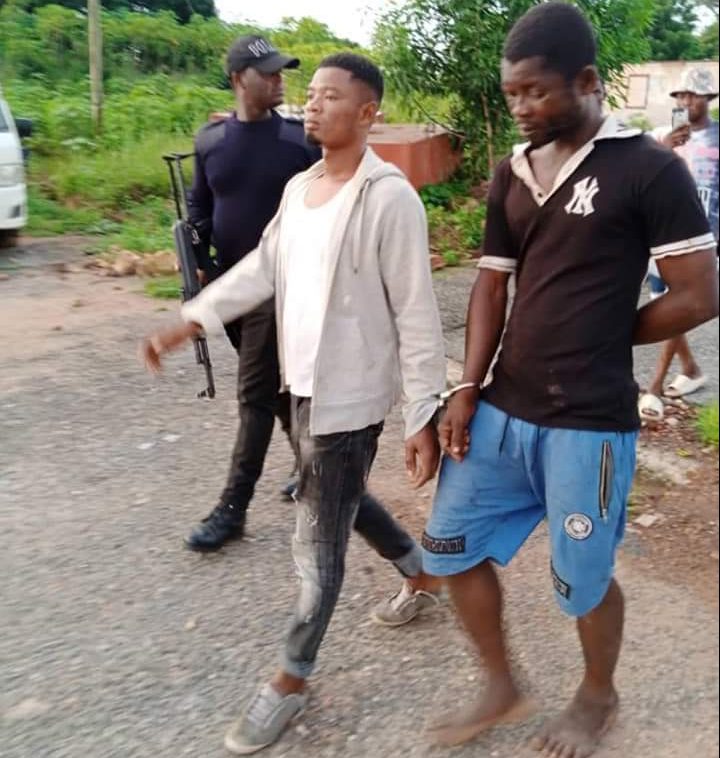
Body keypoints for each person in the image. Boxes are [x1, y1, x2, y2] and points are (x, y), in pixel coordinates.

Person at [420, 4, 718, 757]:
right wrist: (465, 388)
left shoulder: (647, 168)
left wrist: (607, 331)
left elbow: (698, 294)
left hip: (589, 422)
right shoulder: (512, 173)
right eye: (511, 94)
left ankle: (597, 695)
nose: (520, 107)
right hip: (503, 406)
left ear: (586, 82)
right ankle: (501, 684)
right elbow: (491, 284)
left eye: (535, 91)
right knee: (452, 547)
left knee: (583, 578)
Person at [142, 53, 445, 753]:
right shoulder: (302, 187)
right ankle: (421, 570)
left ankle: (290, 678)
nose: (311, 105)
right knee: (335, 497)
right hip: (299, 384)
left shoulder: (389, 198)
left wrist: (422, 414)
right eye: (310, 95)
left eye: (330, 96)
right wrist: (190, 321)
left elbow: (418, 312)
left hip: (351, 394)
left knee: (316, 539)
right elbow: (261, 268)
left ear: (366, 113)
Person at [184, 35, 321, 551]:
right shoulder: (210, 142)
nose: (279, 80)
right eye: (269, 73)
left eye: (282, 71)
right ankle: (314, 469)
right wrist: (199, 265)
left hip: (284, 286)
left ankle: (232, 508)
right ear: (240, 79)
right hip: (231, 288)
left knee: (254, 393)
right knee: (277, 389)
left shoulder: (298, 141)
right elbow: (200, 207)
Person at [640, 68, 719, 421]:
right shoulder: (661, 137)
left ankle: (654, 387)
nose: (686, 102)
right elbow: (641, 174)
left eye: (693, 95)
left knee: (681, 303)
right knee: (664, 306)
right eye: (681, 95)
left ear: (708, 98)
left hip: (705, 240)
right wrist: (665, 148)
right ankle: (691, 369)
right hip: (663, 237)